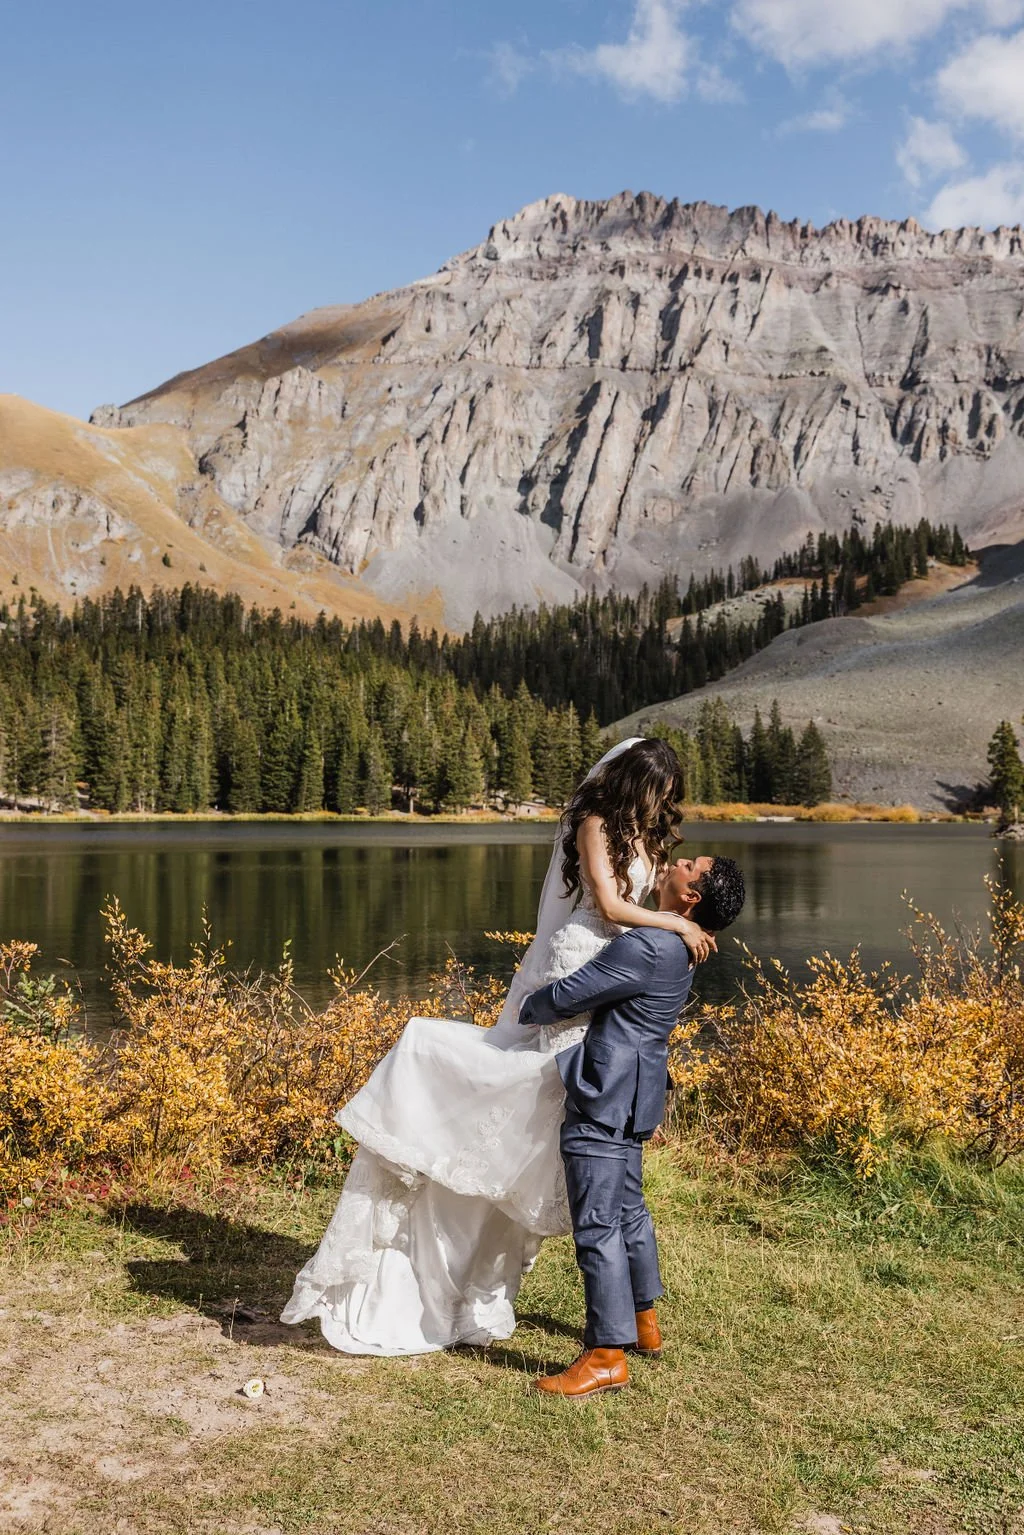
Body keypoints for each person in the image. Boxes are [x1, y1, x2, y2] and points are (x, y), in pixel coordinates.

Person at [281, 738, 722, 1356]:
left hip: (615, 967)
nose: (664, 804)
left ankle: (573, 1287)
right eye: (658, 791)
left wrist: (656, 939)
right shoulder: (596, 824)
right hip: (578, 961)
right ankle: (475, 1222)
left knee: (562, 1111)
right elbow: (608, 902)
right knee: (540, 1096)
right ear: (635, 783)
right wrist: (675, 923)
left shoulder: (648, 840)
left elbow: (634, 916)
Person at [519, 853, 746, 1396]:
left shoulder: (648, 945)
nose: (679, 860)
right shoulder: (683, 945)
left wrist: (526, 1005)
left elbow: (569, 997)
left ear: (691, 896)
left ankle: (605, 1355)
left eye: (690, 865)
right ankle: (644, 1323)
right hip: (638, 1091)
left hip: (607, 1091)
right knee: (627, 1209)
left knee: (597, 1222)